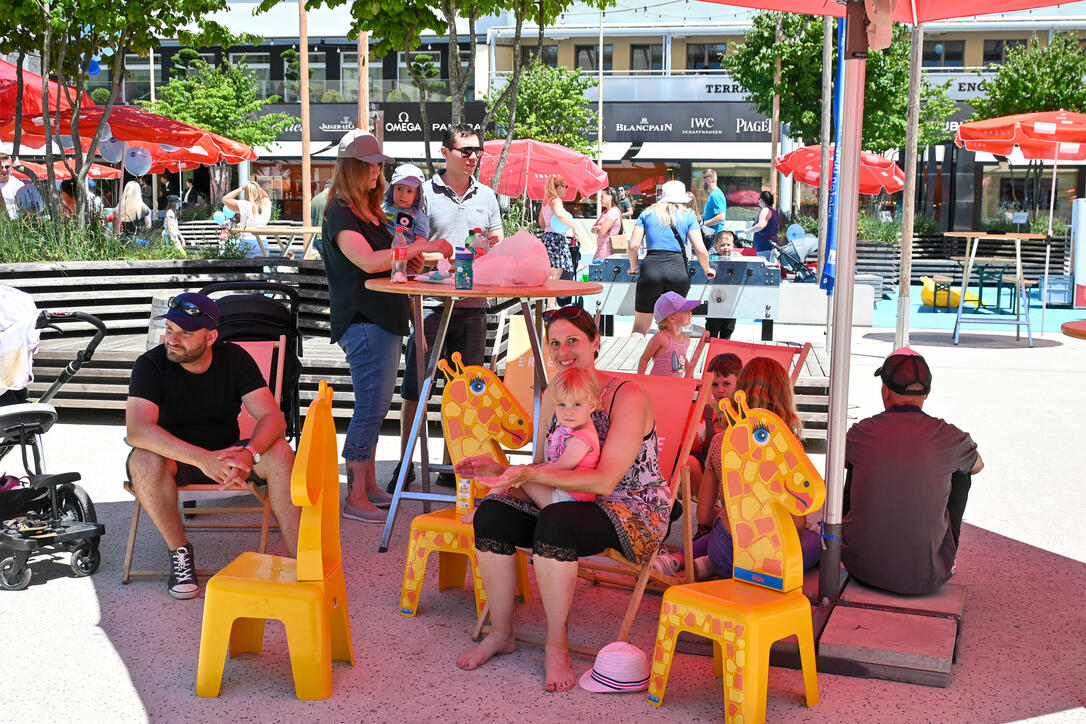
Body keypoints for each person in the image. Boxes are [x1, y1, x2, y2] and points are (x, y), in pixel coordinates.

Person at [455, 305, 669, 692]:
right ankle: (502, 631)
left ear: (595, 342)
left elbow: (605, 481)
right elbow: (546, 464)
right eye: (555, 342)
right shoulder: (557, 393)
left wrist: (528, 476)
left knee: (555, 523)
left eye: (573, 340)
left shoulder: (627, 396)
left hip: (629, 507)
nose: (562, 350)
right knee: (492, 513)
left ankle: (557, 644)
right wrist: (499, 469)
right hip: (566, 497)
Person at [125, 293, 301, 599]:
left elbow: (273, 417)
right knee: (143, 459)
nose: (173, 340)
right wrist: (202, 459)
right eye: (169, 330)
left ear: (211, 337)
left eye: (185, 333)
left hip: (230, 455)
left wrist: (249, 452)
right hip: (175, 462)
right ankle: (180, 554)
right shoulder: (150, 365)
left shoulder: (233, 357)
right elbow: (138, 430)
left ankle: (300, 559)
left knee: (281, 451)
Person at [321, 128, 453, 523]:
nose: (377, 174)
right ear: (351, 168)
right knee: (370, 407)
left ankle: (368, 487)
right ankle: (355, 494)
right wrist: (419, 249)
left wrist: (408, 262)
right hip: (364, 319)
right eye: (370, 166)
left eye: (379, 166)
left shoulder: (367, 211)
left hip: (382, 318)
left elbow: (386, 259)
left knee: (376, 407)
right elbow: (366, 261)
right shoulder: (342, 212)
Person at [393, 124, 502, 492]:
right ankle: (406, 463)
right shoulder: (421, 194)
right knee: (416, 389)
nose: (473, 157)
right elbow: (405, 245)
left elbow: (497, 245)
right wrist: (432, 259)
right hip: (429, 305)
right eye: (466, 151)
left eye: (477, 151)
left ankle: (456, 463)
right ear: (445, 153)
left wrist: (488, 251)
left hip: (473, 305)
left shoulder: (487, 196)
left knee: (467, 392)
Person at [655, 356, 821, 581]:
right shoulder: (788, 447)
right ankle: (709, 565)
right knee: (814, 540)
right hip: (766, 562)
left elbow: (703, 516)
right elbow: (798, 523)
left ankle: (702, 563)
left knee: (727, 525)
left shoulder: (720, 442)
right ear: (784, 396)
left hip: (723, 549)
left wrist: (736, 518)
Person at [842, 348, 983, 596]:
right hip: (926, 577)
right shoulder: (949, 436)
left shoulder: (861, 432)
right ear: (927, 393)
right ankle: (942, 558)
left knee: (854, 464)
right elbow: (978, 465)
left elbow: (837, 460)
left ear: (885, 390)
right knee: (962, 472)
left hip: (859, 567)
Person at [480, 367, 601, 509]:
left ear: (592, 405)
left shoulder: (582, 439)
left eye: (577, 404)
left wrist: (527, 473)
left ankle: (482, 508)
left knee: (518, 474)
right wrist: (527, 471)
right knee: (514, 481)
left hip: (568, 499)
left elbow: (561, 466)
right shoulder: (574, 429)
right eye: (562, 404)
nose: (569, 411)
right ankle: (491, 502)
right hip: (561, 492)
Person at [626, 180, 715, 337]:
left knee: (640, 328)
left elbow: (633, 246)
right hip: (677, 271)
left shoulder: (646, 214)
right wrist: (708, 269)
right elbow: (700, 249)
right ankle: (672, 360)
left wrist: (634, 268)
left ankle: (634, 361)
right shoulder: (688, 216)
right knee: (673, 328)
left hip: (651, 270)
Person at [690, 352, 742, 534]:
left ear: (740, 383)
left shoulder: (741, 410)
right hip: (712, 458)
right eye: (714, 384)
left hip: (735, 461)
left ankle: (710, 519)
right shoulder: (707, 409)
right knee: (688, 462)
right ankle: (710, 508)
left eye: (727, 384)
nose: (720, 390)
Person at [637, 291, 699, 377]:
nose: (690, 312)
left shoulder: (686, 339)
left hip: (675, 387)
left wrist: (690, 375)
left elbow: (682, 358)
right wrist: (640, 380)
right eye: (685, 310)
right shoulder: (661, 338)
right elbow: (644, 359)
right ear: (671, 318)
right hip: (657, 386)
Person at [538, 175, 576, 286]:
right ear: (559, 187)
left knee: (551, 270)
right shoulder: (556, 200)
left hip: (547, 237)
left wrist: (549, 227)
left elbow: (541, 222)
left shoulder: (545, 201)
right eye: (566, 186)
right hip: (556, 238)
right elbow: (560, 215)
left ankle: (550, 301)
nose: (566, 189)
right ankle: (551, 302)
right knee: (556, 271)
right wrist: (574, 227)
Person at [223, 180, 272, 257]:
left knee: (245, 268)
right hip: (263, 242)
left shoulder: (245, 205)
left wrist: (241, 188)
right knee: (261, 268)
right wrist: (257, 186)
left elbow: (225, 199)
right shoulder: (267, 204)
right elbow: (266, 196)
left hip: (248, 241)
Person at [381, 164, 430, 242]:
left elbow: (420, 242)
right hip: (380, 250)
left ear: (417, 194)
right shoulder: (383, 208)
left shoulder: (419, 216)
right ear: (392, 188)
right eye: (399, 188)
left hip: (404, 252)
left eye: (409, 191)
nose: (403, 195)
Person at [705, 230, 738, 339]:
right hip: (714, 300)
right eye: (722, 245)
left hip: (731, 301)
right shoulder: (711, 257)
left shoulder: (738, 257)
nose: (726, 248)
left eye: (728, 245)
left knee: (728, 329)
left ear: (733, 245)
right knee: (712, 330)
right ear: (716, 246)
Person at [590, 186, 622, 262]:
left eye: (602, 196)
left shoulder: (613, 212)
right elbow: (592, 229)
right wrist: (599, 228)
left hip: (607, 249)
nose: (600, 199)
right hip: (603, 248)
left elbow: (602, 231)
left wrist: (599, 229)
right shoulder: (605, 212)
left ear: (610, 197)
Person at [747, 190, 781, 260]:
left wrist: (748, 231)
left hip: (764, 246)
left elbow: (761, 225)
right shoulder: (774, 211)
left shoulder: (765, 210)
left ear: (761, 200)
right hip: (771, 244)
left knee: (763, 268)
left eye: (759, 199)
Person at [700, 169, 728, 238]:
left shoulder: (716, 195)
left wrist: (703, 224)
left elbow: (721, 217)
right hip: (712, 235)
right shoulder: (714, 194)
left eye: (702, 180)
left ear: (708, 180)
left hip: (714, 236)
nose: (701, 183)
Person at [0, 153, 24, 219]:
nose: (4, 170)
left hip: (13, 224)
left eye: (6, 166)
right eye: (1, 167)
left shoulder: (19, 185)